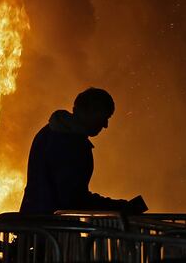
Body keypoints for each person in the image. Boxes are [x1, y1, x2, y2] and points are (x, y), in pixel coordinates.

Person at [19, 87, 147, 215]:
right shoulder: (72, 143)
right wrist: (121, 208)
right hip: (51, 224)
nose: (105, 125)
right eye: (104, 117)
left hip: (33, 221)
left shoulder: (48, 132)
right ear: (89, 111)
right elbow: (73, 200)